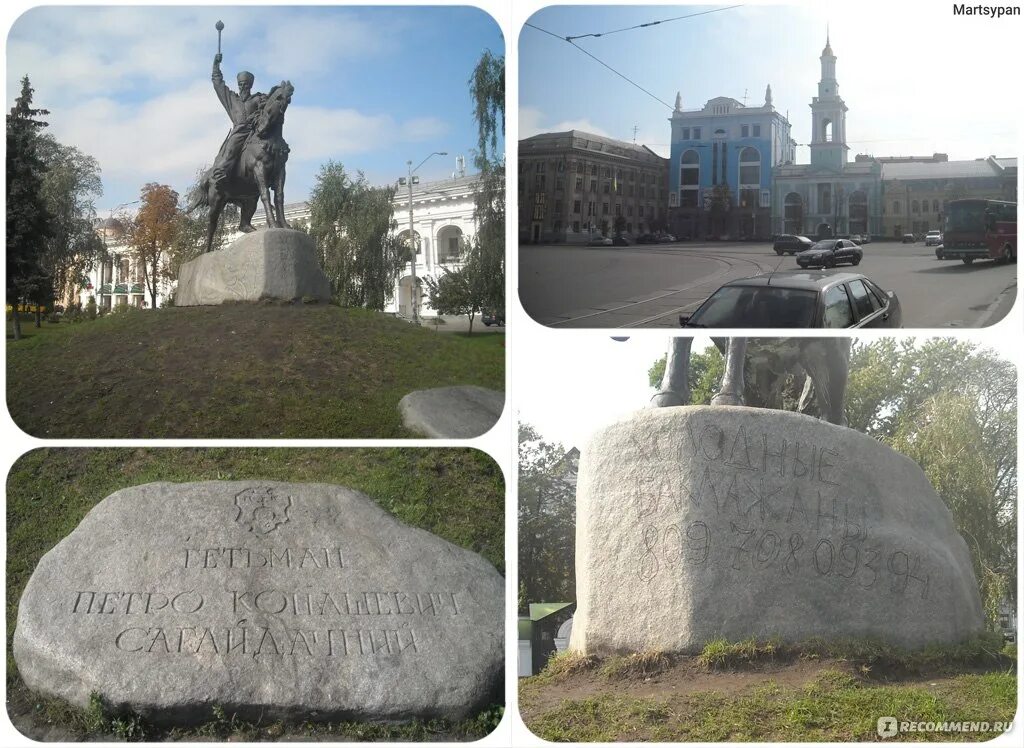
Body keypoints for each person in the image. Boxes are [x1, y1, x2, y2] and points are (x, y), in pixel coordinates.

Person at [210, 53, 266, 186]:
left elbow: (269, 107)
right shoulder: (231, 99)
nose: (243, 87)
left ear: (250, 85)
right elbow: (218, 84)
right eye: (240, 84)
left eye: (246, 84)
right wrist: (216, 65)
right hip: (239, 133)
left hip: (255, 132)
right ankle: (221, 173)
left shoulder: (257, 98)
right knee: (230, 150)